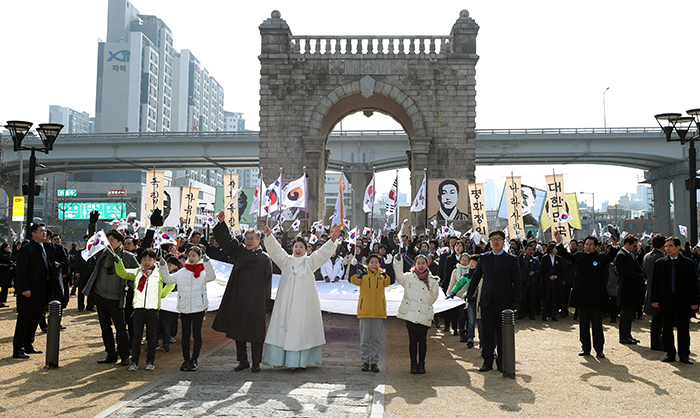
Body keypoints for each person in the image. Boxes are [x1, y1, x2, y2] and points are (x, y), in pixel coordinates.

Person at [263, 225, 340, 369]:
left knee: (301, 331)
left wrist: (333, 239)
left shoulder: (310, 262)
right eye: (296, 246)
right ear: (292, 249)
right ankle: (281, 360)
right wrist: (269, 236)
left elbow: (322, 253)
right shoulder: (286, 261)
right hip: (286, 306)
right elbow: (275, 251)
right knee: (285, 330)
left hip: (303, 307)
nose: (298, 249)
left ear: (306, 250)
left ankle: (301, 361)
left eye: (301, 247)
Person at [212, 211, 272, 373]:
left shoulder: (265, 259)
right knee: (239, 332)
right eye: (247, 238)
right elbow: (226, 240)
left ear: (259, 241)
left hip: (256, 302)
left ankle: (256, 363)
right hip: (238, 299)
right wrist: (222, 223)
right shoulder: (238, 251)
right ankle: (242, 361)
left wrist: (266, 304)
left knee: (256, 334)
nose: (248, 241)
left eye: (252, 238)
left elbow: (267, 283)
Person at [555, 230, 618, 358]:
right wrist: (558, 241)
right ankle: (585, 348)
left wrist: (614, 243)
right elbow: (564, 254)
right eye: (586, 244)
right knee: (583, 324)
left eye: (590, 244)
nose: (588, 247)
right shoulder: (579, 256)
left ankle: (599, 349)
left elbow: (611, 255)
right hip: (581, 295)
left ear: (596, 246)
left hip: (596, 296)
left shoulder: (600, 258)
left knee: (597, 324)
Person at [82, 225, 139, 366]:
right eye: (108, 240)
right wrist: (92, 224)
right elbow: (92, 241)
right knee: (105, 327)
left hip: (118, 298)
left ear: (120, 242)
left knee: (121, 327)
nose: (109, 242)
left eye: (112, 240)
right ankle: (110, 353)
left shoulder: (128, 257)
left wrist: (129, 290)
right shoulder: (102, 254)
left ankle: (124, 354)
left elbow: (137, 275)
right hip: (101, 296)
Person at [466, 230, 522, 372]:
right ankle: (487, 361)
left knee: (503, 335)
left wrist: (516, 301)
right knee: (487, 333)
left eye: (499, 239)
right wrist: (469, 293)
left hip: (505, 302)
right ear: (490, 242)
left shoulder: (511, 259)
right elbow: (476, 277)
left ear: (504, 242)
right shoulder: (484, 258)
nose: (496, 241)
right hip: (486, 301)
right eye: (493, 239)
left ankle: (502, 362)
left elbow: (517, 282)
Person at [114, 248, 175, 371]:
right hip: (139, 309)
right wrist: (118, 262)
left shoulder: (159, 273)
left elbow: (171, 282)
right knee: (137, 336)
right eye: (145, 259)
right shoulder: (137, 272)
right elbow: (123, 273)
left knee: (152, 336)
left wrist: (162, 294)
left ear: (154, 260)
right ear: (140, 260)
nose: (147, 262)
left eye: (150, 259)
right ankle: (134, 361)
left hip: (152, 309)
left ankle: (150, 361)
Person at [159, 246, 216, 371]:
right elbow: (167, 279)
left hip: (198, 307)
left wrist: (207, 262)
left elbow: (212, 277)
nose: (191, 258)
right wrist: (163, 266)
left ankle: (194, 360)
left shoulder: (202, 271)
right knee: (185, 335)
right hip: (184, 307)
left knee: (197, 335)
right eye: (189, 255)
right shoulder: (181, 272)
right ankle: (186, 360)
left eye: (194, 256)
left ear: (199, 257)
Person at [12, 223, 62, 359]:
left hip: (41, 291)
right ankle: (18, 349)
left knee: (35, 318)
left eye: (45, 231)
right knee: (24, 319)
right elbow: (21, 272)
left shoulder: (43, 247)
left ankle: (28, 344)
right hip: (29, 291)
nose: (44, 233)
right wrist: (25, 289)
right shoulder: (26, 249)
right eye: (41, 231)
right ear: (33, 233)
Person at [650, 236, 700, 364]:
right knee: (666, 328)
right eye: (666, 246)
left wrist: (695, 302)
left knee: (683, 329)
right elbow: (654, 283)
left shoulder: (688, 263)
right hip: (666, 301)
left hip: (683, 301)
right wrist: (654, 299)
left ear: (678, 247)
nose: (667, 248)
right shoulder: (660, 263)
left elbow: (694, 284)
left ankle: (684, 354)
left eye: (670, 246)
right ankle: (670, 353)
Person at [393, 253, 440, 374]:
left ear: (427, 264)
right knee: (412, 340)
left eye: (423, 263)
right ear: (415, 264)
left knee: (423, 340)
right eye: (418, 263)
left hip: (424, 313)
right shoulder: (409, 277)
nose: (421, 266)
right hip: (411, 313)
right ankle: (413, 364)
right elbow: (398, 276)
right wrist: (398, 262)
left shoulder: (432, 280)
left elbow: (434, 297)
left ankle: (422, 364)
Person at [349, 253, 392, 372]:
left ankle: (374, 362)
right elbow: (352, 279)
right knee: (364, 339)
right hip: (365, 312)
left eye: (376, 262)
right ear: (367, 264)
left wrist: (389, 265)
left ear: (379, 264)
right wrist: (353, 267)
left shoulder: (382, 276)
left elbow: (391, 280)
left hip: (378, 312)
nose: (374, 264)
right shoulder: (363, 275)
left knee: (376, 339)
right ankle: (365, 362)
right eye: (371, 262)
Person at [615, 235, 645, 345]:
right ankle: (623, 336)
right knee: (625, 314)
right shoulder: (621, 255)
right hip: (626, 289)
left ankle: (628, 334)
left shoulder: (630, 255)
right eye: (633, 246)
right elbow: (627, 272)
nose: (635, 248)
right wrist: (641, 276)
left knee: (630, 314)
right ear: (627, 244)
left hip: (632, 289)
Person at [642, 234, 666, 351]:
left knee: (655, 321)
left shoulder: (647, 256)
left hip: (649, 291)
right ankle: (657, 342)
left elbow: (645, 275)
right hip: (660, 293)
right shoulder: (662, 258)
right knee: (659, 321)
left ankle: (655, 341)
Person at [448, 253, 472, 342]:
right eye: (463, 260)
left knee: (468, 317)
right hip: (458, 297)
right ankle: (460, 332)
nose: (464, 262)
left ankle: (468, 333)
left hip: (468, 296)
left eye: (466, 260)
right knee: (460, 316)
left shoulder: (472, 270)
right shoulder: (455, 271)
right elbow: (452, 283)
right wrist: (449, 293)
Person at [540, 243, 565, 321]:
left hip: (556, 281)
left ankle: (554, 315)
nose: (556, 250)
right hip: (547, 281)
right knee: (546, 298)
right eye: (555, 249)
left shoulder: (558, 258)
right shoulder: (544, 258)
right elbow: (542, 269)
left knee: (555, 298)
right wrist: (549, 276)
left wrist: (557, 276)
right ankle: (544, 315)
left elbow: (562, 269)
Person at [518, 245, 541, 320]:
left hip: (532, 282)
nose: (530, 251)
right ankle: (522, 313)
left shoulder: (535, 260)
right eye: (529, 249)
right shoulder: (522, 258)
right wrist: (522, 254)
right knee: (523, 299)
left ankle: (531, 313)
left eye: (532, 250)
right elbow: (518, 264)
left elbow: (539, 270)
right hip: (523, 281)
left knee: (532, 299)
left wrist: (534, 272)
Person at [0, 243, 15, 308]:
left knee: (4, 289)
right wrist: (9, 253)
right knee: (4, 289)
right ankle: (1, 302)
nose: (9, 249)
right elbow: (6, 260)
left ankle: (1, 302)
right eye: (8, 247)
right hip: (3, 274)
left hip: (5, 274)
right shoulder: (2, 254)